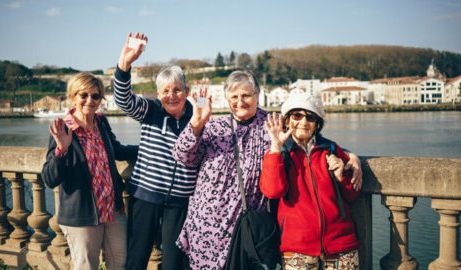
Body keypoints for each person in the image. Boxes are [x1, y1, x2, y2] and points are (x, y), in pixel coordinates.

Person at [173, 72, 363, 269]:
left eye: (246, 95)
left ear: (257, 95)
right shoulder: (213, 126)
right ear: (227, 98)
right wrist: (196, 123)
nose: (240, 102)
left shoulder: (274, 124)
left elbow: (309, 139)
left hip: (250, 226)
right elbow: (182, 156)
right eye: (234, 97)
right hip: (208, 225)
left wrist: (349, 156)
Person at [114, 32, 198, 270]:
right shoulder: (150, 110)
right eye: (166, 91)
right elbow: (123, 100)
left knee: (173, 262)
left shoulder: (197, 119)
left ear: (187, 91)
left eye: (177, 90)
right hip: (146, 194)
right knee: (137, 256)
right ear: (158, 94)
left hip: (181, 201)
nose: (172, 96)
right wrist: (124, 64)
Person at [42, 72, 138, 270]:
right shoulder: (63, 129)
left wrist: (147, 148)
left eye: (95, 96)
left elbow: (117, 150)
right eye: (83, 95)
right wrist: (62, 149)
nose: (89, 100)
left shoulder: (101, 122)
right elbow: (49, 178)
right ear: (73, 97)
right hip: (82, 216)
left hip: (113, 211)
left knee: (121, 265)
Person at [260, 93, 360, 270]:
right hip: (296, 247)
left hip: (341, 243)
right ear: (288, 120)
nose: (304, 122)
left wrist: (340, 176)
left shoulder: (331, 149)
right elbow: (272, 191)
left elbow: (352, 195)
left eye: (310, 117)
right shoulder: (280, 153)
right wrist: (275, 148)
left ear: (317, 124)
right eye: (297, 115)